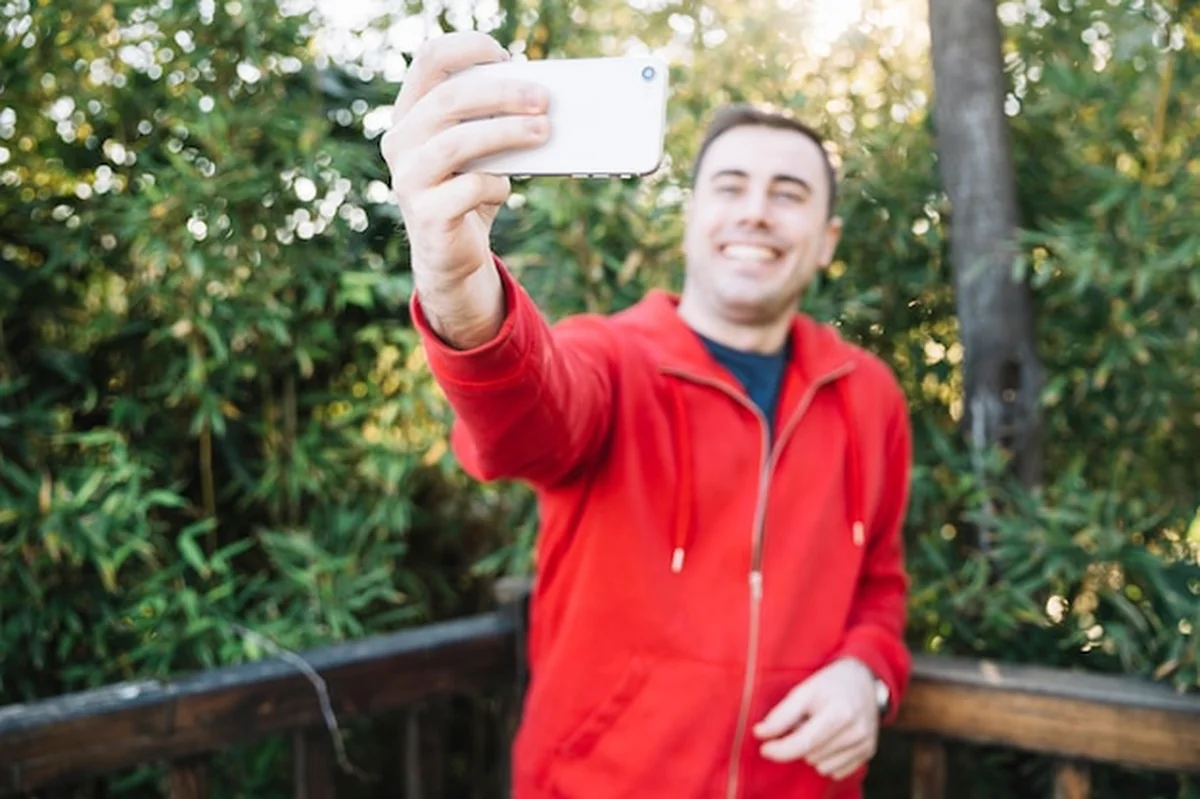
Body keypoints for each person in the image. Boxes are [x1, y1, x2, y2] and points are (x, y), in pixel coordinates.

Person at [381, 31, 913, 799]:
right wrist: (457, 283)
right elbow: (526, 415)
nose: (756, 212)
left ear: (827, 240)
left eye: (789, 194)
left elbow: (881, 585)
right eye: (731, 186)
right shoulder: (608, 356)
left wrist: (870, 674)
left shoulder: (868, 393)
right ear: (693, 213)